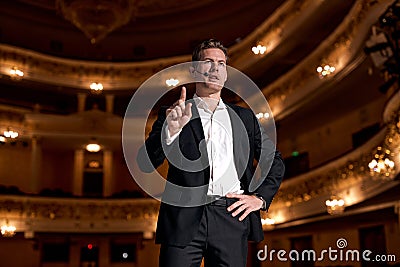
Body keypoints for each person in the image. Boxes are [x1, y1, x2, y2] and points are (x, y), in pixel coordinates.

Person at [137, 39, 285, 267]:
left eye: (222, 64)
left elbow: (273, 160)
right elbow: (145, 163)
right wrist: (169, 133)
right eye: (208, 62)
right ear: (194, 70)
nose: (216, 68)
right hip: (182, 219)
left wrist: (260, 198)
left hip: (232, 216)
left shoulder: (245, 118)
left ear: (226, 73)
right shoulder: (172, 113)